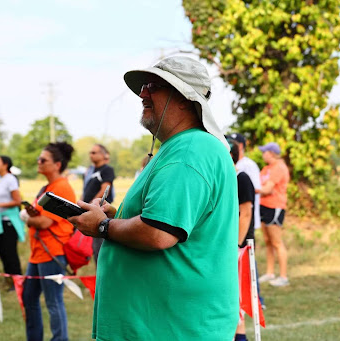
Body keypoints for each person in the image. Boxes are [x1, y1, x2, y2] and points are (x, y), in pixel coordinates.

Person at [69, 56, 239, 340]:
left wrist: (102, 227)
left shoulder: (189, 151)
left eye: (155, 86)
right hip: (165, 325)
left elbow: (158, 233)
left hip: (171, 328)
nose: (143, 94)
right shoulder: (187, 148)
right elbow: (162, 222)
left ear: (186, 99)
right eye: (144, 86)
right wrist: (115, 218)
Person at [20, 142, 75, 341]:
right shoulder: (48, 187)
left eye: (43, 160)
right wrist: (29, 216)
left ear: (57, 164)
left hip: (52, 252)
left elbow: (43, 222)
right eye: (39, 159)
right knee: (29, 297)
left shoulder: (61, 187)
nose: (39, 162)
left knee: (53, 301)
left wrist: (26, 218)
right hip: (38, 252)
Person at [228, 139, 255, 341]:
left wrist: (236, 246)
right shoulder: (224, 179)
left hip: (239, 249)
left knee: (237, 304)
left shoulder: (241, 178)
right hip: (225, 248)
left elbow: (245, 214)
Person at [257, 142, 290, 287]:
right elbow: (259, 185)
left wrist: (247, 187)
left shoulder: (279, 167)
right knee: (268, 241)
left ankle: (283, 276)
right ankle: (270, 273)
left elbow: (267, 189)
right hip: (263, 206)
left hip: (275, 207)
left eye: (264, 152)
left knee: (277, 242)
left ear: (271, 153)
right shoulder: (266, 169)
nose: (263, 154)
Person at [81, 144, 115, 263]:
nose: (91, 155)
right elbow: (84, 190)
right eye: (90, 152)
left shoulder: (107, 170)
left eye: (94, 152)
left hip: (100, 212)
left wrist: (91, 205)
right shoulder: (89, 171)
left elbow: (105, 189)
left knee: (100, 248)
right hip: (87, 210)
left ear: (103, 155)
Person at [0, 155, 23, 284]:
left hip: (9, 222)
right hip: (1, 222)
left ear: (5, 165)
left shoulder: (10, 179)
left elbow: (17, 201)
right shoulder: (1, 180)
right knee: (3, 252)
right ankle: (9, 280)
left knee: (10, 252)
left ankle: (17, 281)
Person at [227, 133, 261, 229]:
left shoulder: (248, 165)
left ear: (240, 146)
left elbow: (255, 188)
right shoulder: (235, 165)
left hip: (245, 216)